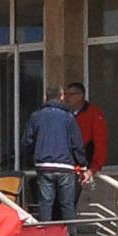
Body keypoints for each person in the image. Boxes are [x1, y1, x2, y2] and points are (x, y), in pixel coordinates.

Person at [22, 92, 88, 224]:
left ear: (45, 97)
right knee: (67, 205)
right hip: (65, 166)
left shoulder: (36, 117)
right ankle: (70, 235)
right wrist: (83, 165)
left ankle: (46, 235)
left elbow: (26, 142)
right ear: (61, 96)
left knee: (45, 204)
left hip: (44, 166)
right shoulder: (68, 117)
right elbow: (77, 143)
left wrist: (32, 158)